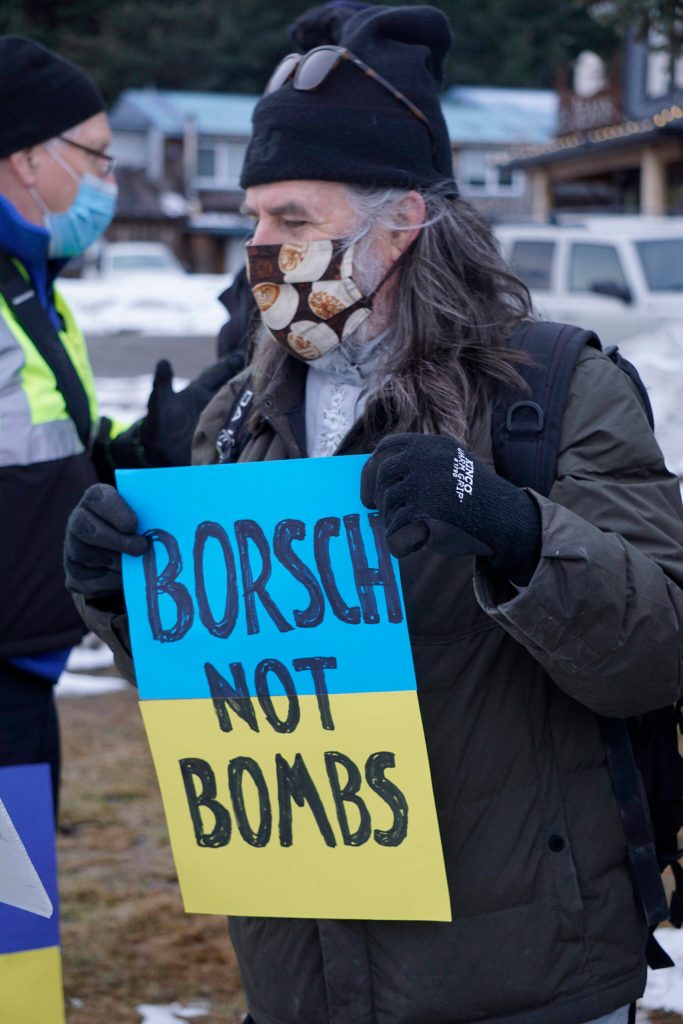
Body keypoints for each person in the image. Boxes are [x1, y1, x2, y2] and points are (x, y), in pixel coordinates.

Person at [63, 6, 683, 1024]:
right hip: (301, 976)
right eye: (255, 218)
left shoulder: (555, 392)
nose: (258, 249)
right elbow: (230, 683)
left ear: (402, 221)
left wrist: (516, 532)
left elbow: (655, 648)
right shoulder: (238, 414)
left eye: (293, 221)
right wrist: (118, 594)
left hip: (518, 981)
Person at [0, 36, 236, 813]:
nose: (109, 178)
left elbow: (40, 442)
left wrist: (139, 448)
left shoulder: (30, 286)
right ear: (27, 157)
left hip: (24, 668)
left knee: (18, 923)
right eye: (96, 155)